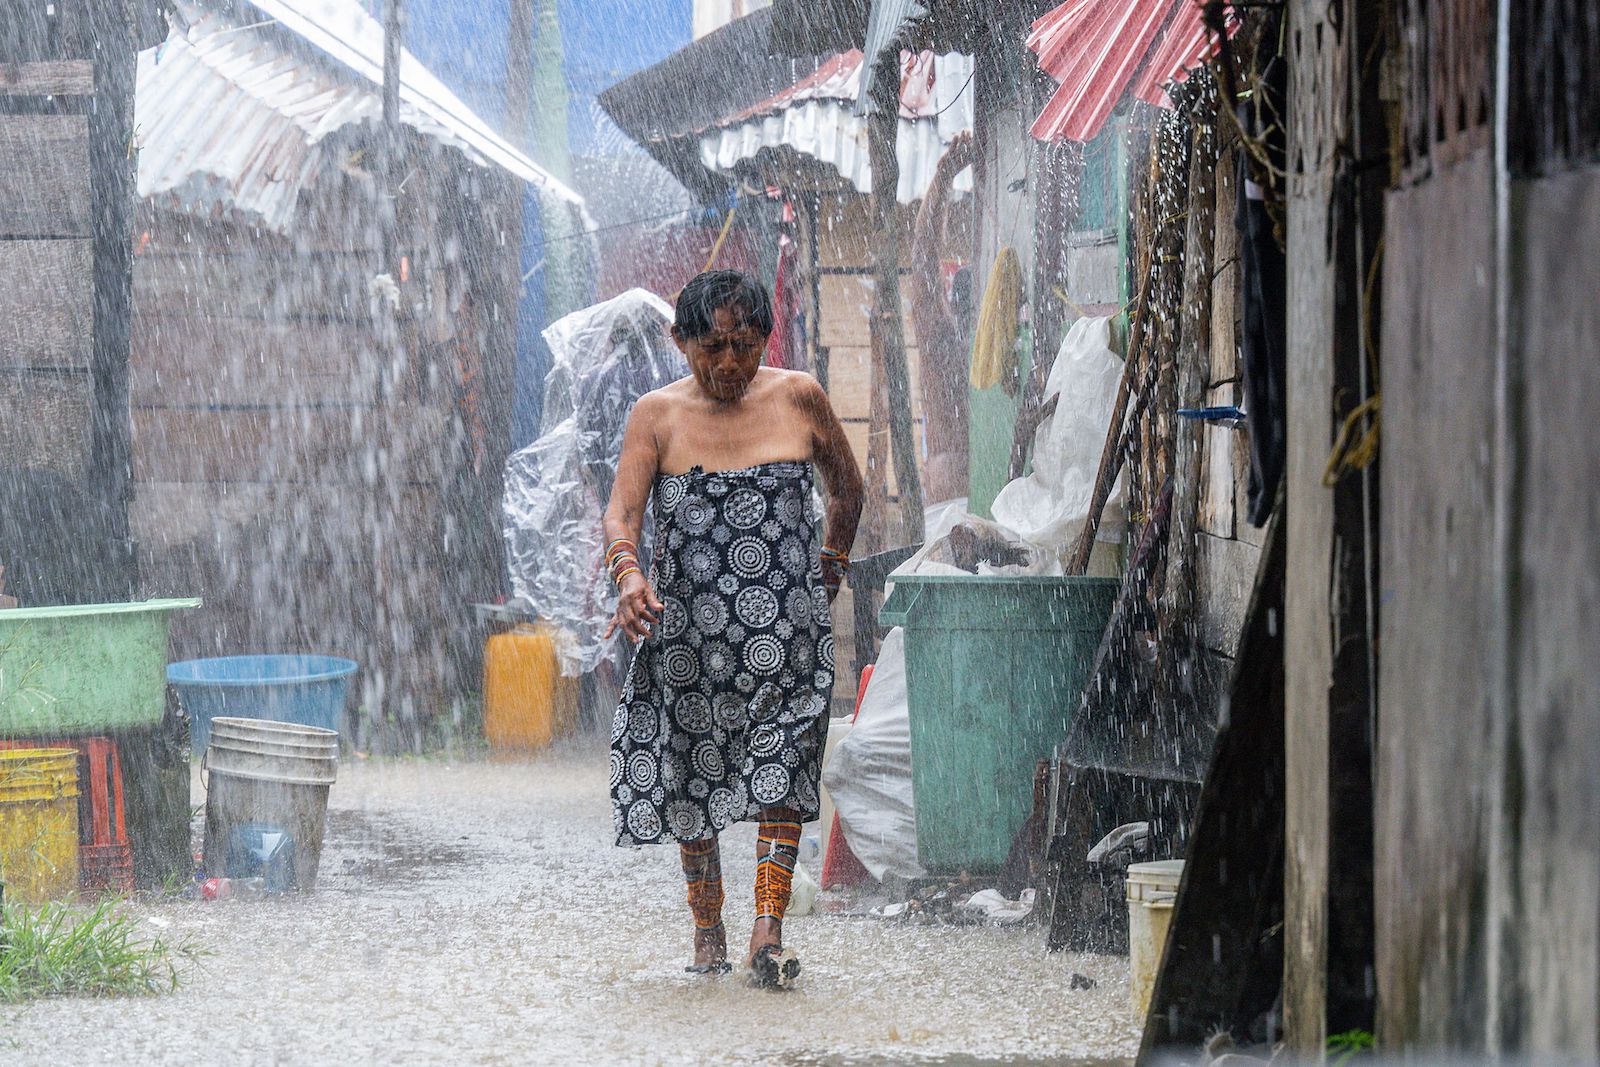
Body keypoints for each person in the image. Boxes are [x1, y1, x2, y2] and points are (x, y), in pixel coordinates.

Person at [601, 269, 864, 987]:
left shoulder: (799, 396)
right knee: (695, 781)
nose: (727, 364)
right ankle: (709, 931)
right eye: (711, 346)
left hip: (789, 641)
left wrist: (827, 572)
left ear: (763, 341)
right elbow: (621, 514)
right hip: (687, 643)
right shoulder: (656, 415)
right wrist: (629, 577)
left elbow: (848, 487)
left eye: (743, 346)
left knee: (784, 773)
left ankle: (767, 931)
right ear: (680, 341)